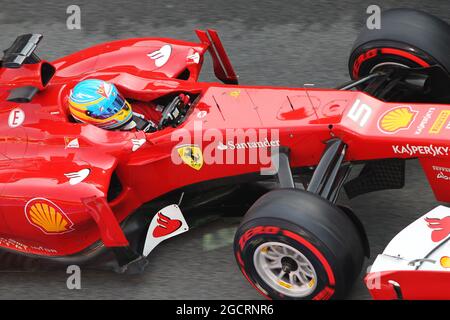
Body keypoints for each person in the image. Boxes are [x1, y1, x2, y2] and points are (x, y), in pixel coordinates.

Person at [68, 79, 157, 132]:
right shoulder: (109, 145)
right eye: (108, 111)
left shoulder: (138, 111)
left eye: (117, 102)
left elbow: (160, 112)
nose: (119, 111)